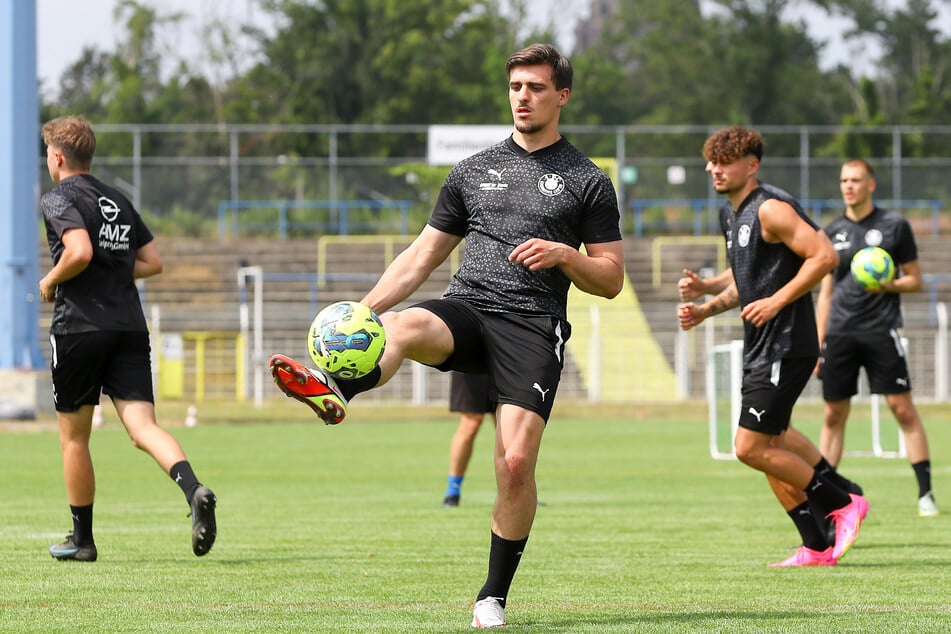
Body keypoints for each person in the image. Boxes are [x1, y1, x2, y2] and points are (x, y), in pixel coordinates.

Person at [270, 43, 624, 628]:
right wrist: (361, 312)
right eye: (516, 88)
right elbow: (419, 258)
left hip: (533, 324)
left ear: (561, 95)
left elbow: (610, 279)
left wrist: (565, 254)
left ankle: (492, 594)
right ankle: (336, 388)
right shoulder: (472, 172)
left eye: (536, 88)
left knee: (513, 463)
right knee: (401, 325)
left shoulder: (588, 181)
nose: (523, 98)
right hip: (468, 309)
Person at [677, 126, 870, 568]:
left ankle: (843, 502)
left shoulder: (771, 209)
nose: (714, 168)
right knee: (772, 446)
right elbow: (749, 279)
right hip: (763, 344)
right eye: (711, 160)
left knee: (749, 447)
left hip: (786, 343)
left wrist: (778, 300)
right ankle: (817, 545)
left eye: (725, 160)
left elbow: (824, 256)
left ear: (752, 165)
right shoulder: (733, 215)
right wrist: (706, 302)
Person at [39, 115, 217, 562]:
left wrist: (51, 280)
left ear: (57, 157)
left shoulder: (59, 197)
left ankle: (82, 541)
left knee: (74, 439)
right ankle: (193, 489)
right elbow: (152, 261)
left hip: (80, 327)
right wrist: (112, 269)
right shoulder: (117, 198)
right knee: (143, 428)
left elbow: (78, 251)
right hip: (129, 328)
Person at [816, 158, 938, 517]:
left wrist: (891, 284)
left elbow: (914, 279)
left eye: (855, 180)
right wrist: (818, 342)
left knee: (902, 410)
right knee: (833, 415)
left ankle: (925, 493)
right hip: (839, 333)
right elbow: (824, 293)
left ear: (872, 184)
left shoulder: (894, 226)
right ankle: (828, 499)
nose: (848, 186)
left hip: (881, 331)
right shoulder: (830, 231)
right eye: (843, 180)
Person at [443, 372, 497, 508]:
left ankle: (521, 489)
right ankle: (452, 491)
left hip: (507, 357)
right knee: (471, 422)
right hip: (472, 359)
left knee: (510, 423)